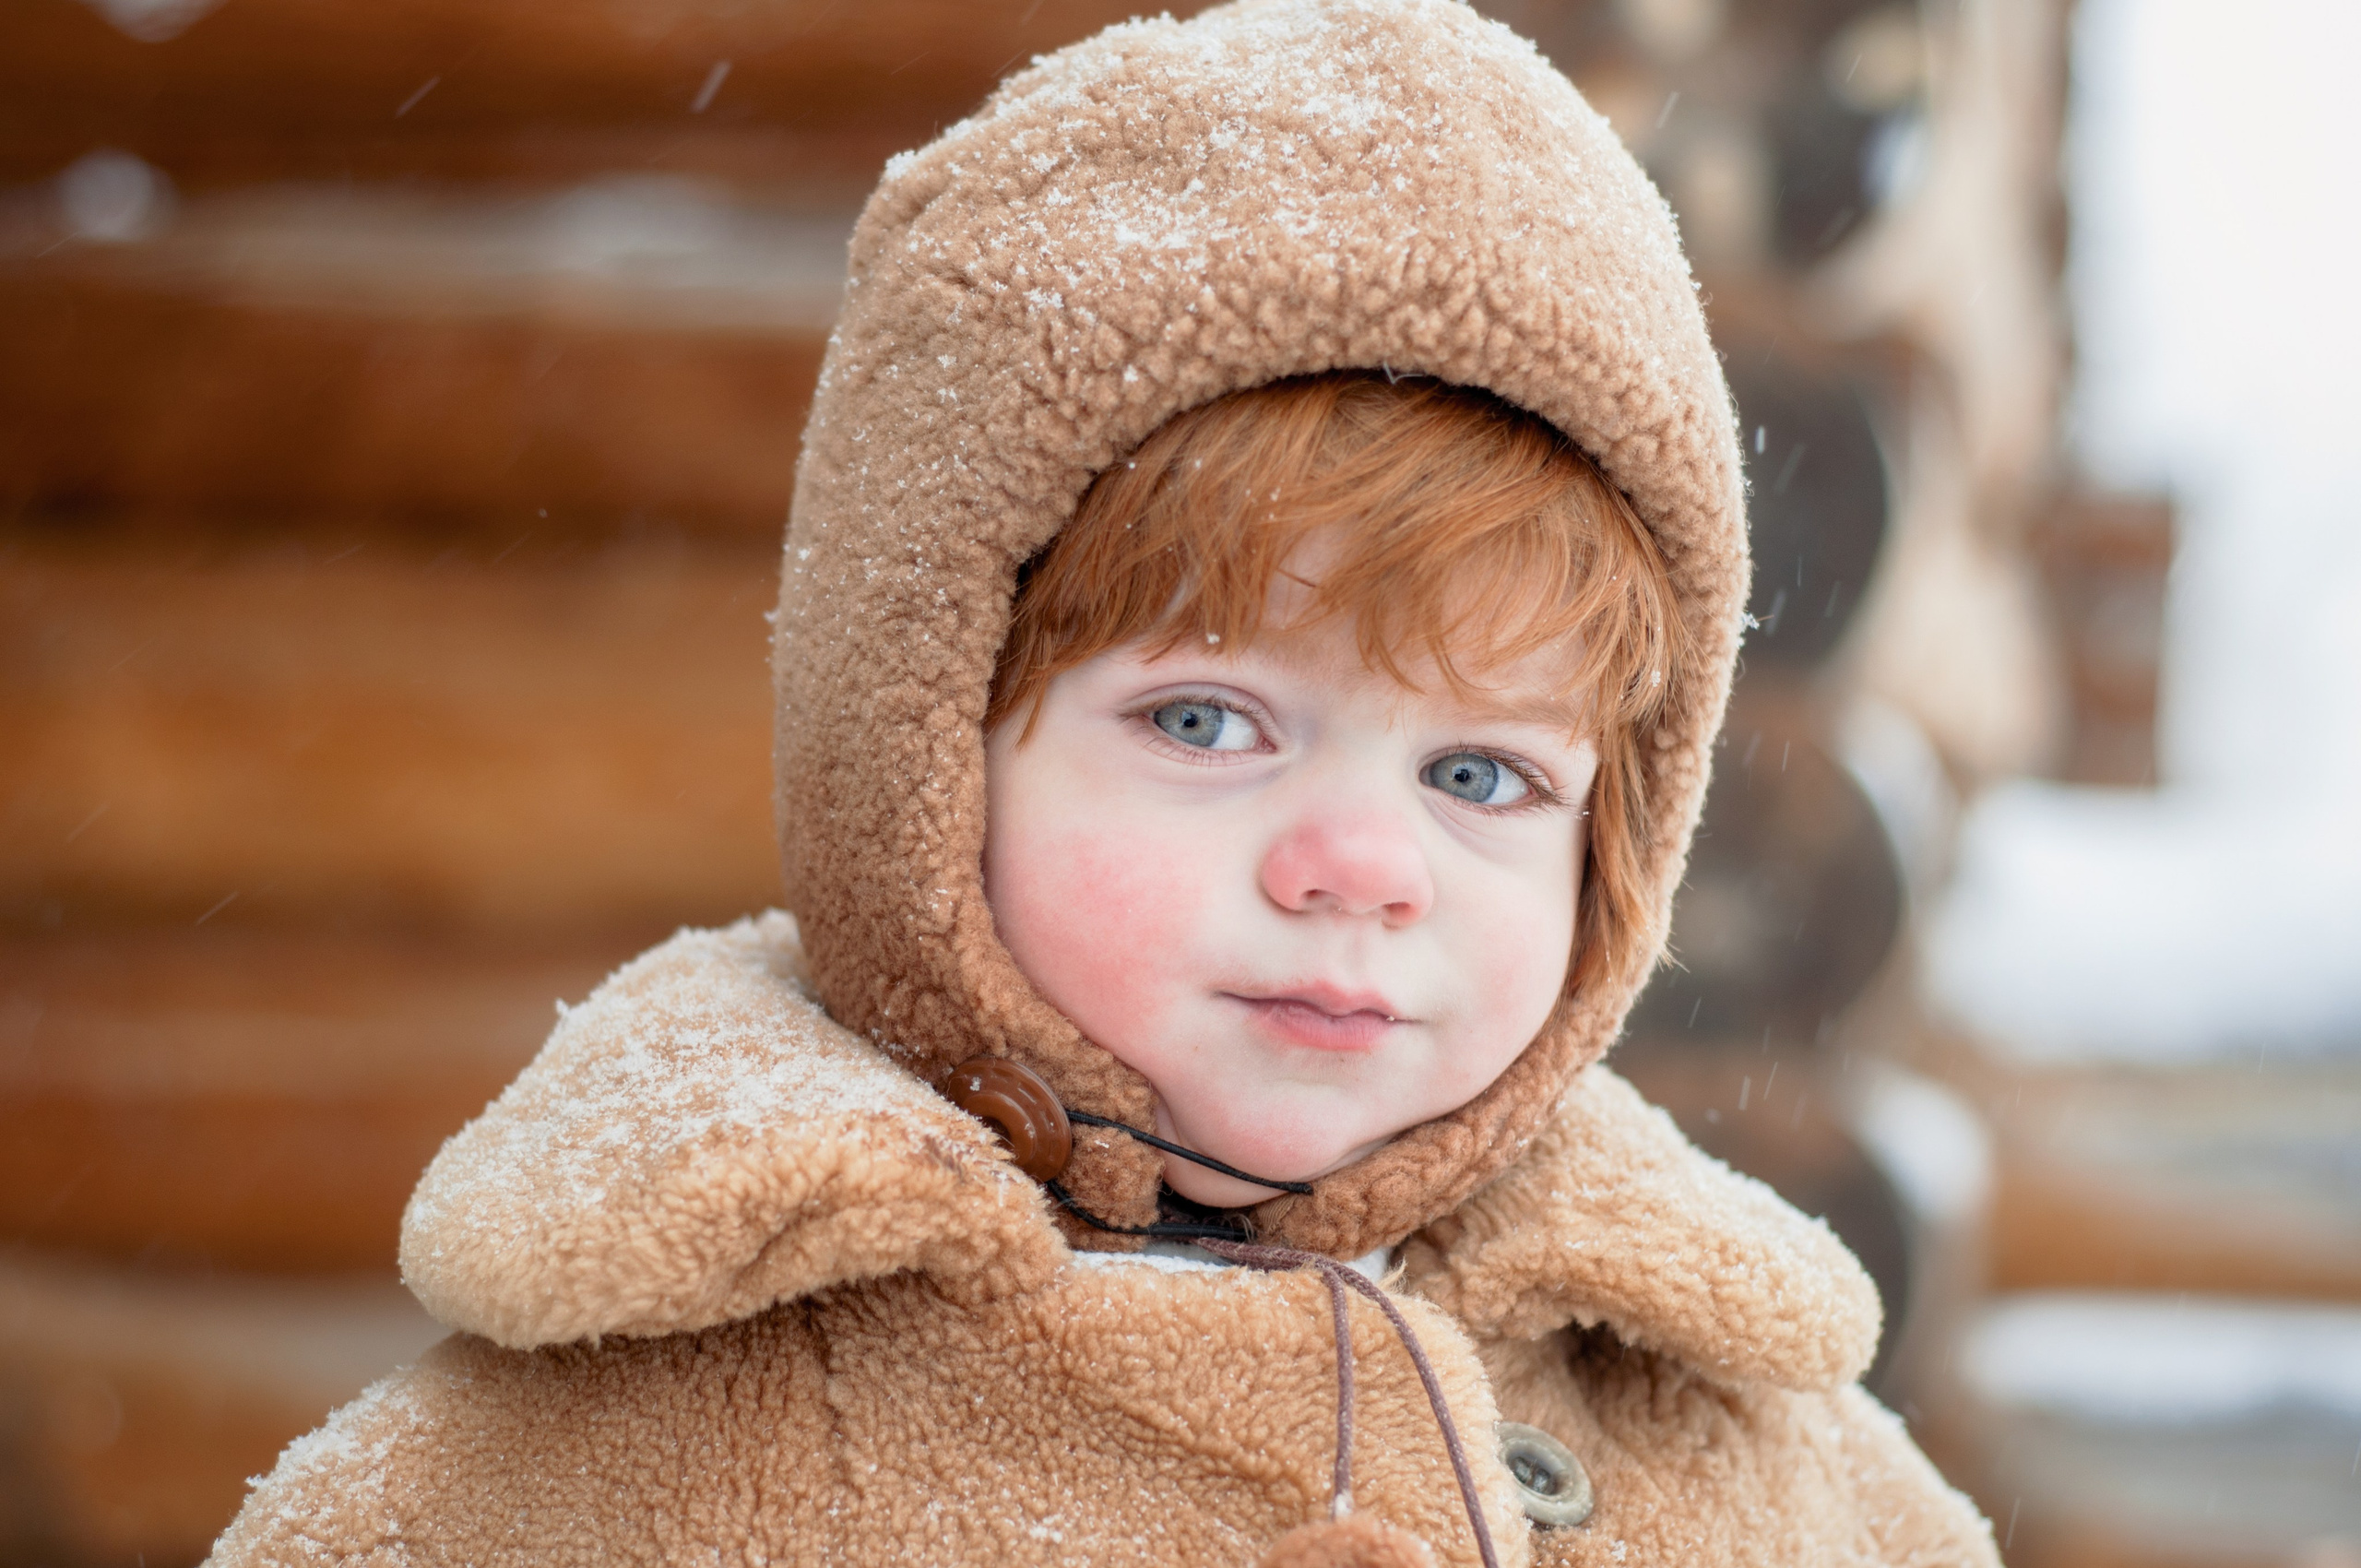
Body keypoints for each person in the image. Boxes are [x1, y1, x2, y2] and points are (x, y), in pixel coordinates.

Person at [209, 2, 1999, 1564]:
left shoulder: (1758, 1464)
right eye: (1206, 723)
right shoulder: (608, 1459)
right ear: (918, 746)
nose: (1359, 863)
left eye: (1477, 770)